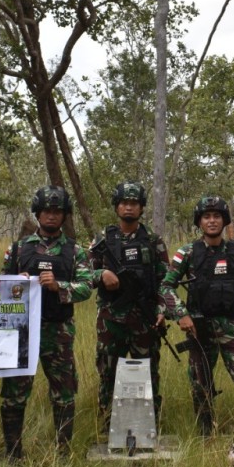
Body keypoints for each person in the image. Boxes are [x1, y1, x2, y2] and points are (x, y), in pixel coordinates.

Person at [160, 195, 234, 436]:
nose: (212, 221)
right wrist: (181, 315)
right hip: (199, 328)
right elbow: (166, 286)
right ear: (199, 222)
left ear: (224, 220)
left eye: (217, 216)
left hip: (230, 328)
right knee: (200, 384)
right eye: (206, 217)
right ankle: (206, 434)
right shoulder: (186, 252)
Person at [0, 185, 92, 458]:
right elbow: (1, 288)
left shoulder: (76, 251)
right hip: (21, 333)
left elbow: (87, 287)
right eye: (46, 211)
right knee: (14, 395)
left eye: (57, 212)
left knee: (64, 394)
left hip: (59, 332)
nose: (51, 216)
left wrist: (59, 286)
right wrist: (19, 286)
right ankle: (13, 455)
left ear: (65, 216)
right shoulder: (17, 249)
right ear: (37, 213)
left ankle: (62, 454)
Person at [88, 182, 170, 432]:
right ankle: (107, 425)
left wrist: (161, 310)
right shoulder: (102, 240)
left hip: (144, 321)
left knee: (147, 372)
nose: (129, 207)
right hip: (111, 320)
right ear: (117, 207)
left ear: (142, 207)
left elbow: (166, 282)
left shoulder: (154, 242)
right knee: (109, 372)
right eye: (124, 202)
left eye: (134, 203)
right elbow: (83, 275)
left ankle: (150, 424)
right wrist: (102, 274)